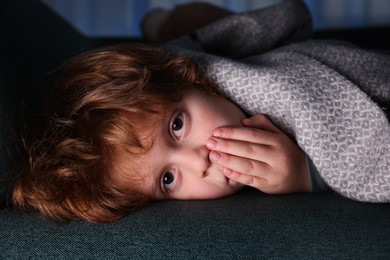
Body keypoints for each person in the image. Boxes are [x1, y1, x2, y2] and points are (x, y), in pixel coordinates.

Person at [11, 43, 320, 223]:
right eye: (167, 179)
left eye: (177, 125)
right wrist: (303, 174)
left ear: (187, 82)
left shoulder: (273, 92)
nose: (199, 162)